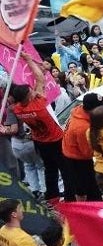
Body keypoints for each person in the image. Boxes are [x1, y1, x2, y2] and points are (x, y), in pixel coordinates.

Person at [11, 52, 74, 202]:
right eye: (30, 91)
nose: (33, 90)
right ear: (28, 96)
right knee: (65, 169)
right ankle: (70, 196)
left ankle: (52, 196)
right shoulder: (38, 104)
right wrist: (28, 60)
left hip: (40, 141)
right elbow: (40, 78)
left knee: (49, 169)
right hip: (56, 139)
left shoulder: (18, 109)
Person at [61, 93, 103, 201]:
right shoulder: (83, 128)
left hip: (70, 153)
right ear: (92, 110)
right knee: (84, 190)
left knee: (77, 187)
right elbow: (87, 153)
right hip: (78, 161)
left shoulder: (78, 111)